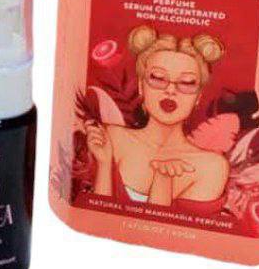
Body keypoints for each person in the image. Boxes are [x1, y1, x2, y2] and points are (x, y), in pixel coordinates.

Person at [87, 25, 229, 213]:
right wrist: (104, 164)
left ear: (198, 96)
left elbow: (173, 229)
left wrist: (163, 182)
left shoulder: (211, 167)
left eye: (186, 82)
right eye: (158, 78)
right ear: (141, 86)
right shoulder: (112, 138)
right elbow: (97, 217)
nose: (170, 90)